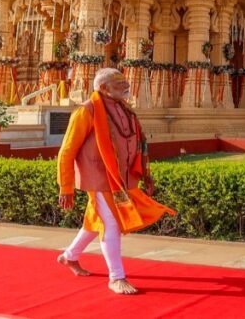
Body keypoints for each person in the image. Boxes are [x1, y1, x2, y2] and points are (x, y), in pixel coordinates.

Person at [56, 67, 174, 295]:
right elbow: (66, 151)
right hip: (100, 178)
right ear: (103, 88)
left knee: (95, 222)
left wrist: (145, 174)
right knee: (112, 224)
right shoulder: (86, 111)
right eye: (119, 83)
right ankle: (116, 277)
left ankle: (69, 256)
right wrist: (66, 187)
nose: (126, 86)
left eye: (124, 81)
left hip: (123, 179)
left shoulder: (125, 110)